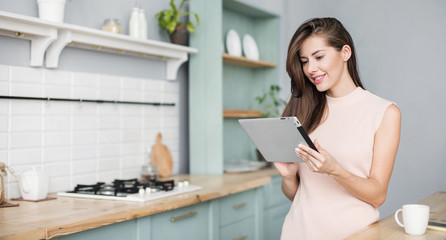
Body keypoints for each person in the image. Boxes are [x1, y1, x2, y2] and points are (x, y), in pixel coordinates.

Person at [275, 17, 401, 240]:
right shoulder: (302, 110)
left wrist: (335, 169)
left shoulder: (384, 112)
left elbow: (378, 195)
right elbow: (299, 197)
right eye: (304, 61)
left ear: (345, 52)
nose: (310, 69)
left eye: (319, 57)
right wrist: (289, 177)